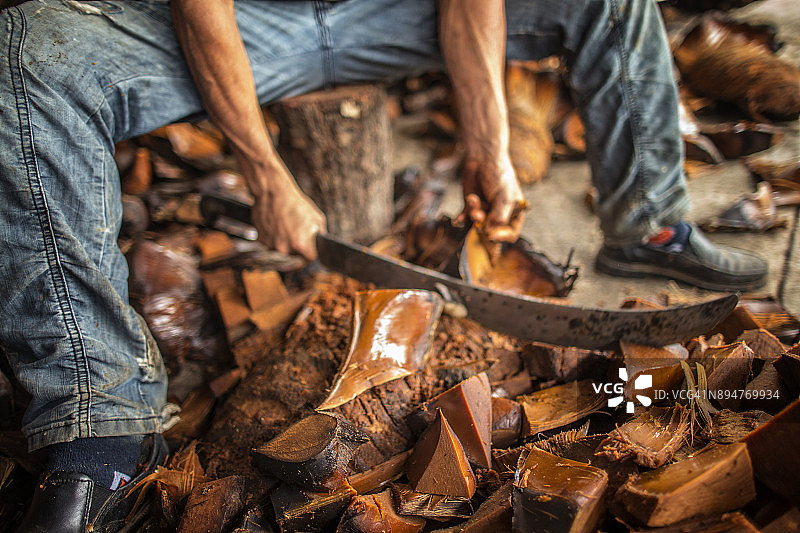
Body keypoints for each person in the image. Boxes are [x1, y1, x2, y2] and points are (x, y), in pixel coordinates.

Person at [2, 0, 766, 531]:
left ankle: (650, 223)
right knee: (28, 49)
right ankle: (99, 420)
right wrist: (267, 175)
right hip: (249, 22)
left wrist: (489, 144)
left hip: (388, 14)